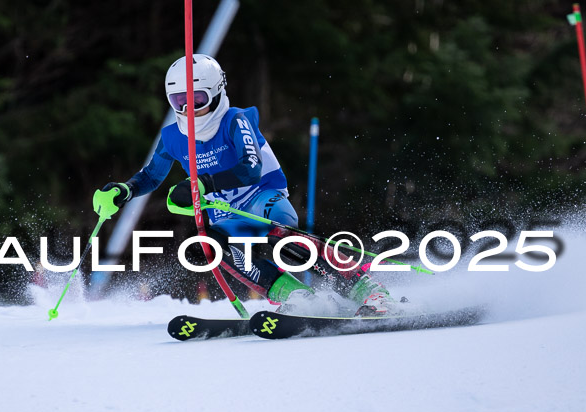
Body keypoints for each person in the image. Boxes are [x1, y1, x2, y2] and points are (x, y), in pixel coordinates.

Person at [102, 54, 393, 315]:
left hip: (261, 195)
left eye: (197, 100)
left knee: (285, 236)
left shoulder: (234, 121)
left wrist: (203, 183)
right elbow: (152, 176)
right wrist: (123, 190)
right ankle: (301, 298)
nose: (189, 110)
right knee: (217, 251)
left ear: (216, 94)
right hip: (226, 213)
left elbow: (250, 169)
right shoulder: (173, 137)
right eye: (180, 101)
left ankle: (366, 289)